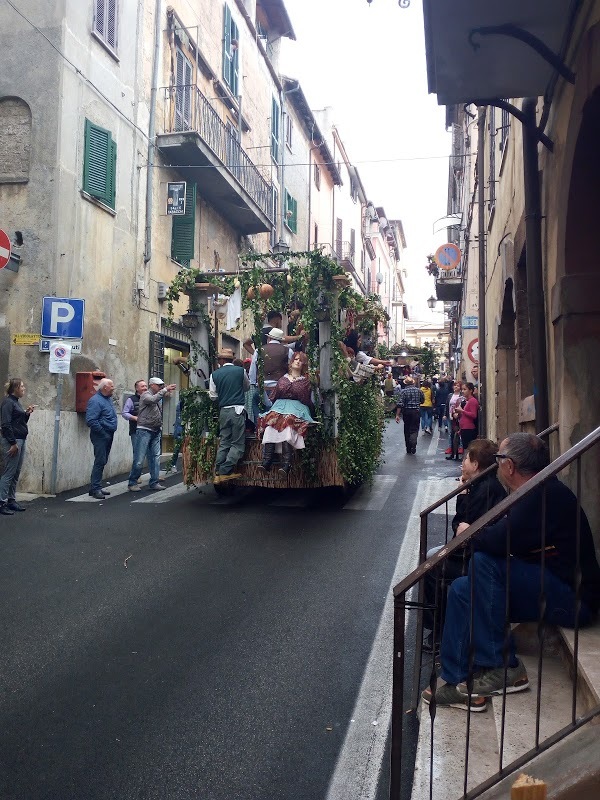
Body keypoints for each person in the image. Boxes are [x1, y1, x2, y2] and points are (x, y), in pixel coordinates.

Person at [423, 433, 600, 712]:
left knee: (483, 561)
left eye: (498, 459)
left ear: (509, 466)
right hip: (547, 586)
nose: (496, 465)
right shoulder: (533, 492)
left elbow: (494, 541)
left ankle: (503, 666)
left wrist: (469, 532)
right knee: (460, 589)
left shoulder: (542, 494)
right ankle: (455, 678)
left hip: (573, 601)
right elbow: (501, 536)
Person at [422, 439, 506, 648]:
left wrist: (461, 495)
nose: (462, 462)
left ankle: (439, 631)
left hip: (472, 556)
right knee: (432, 555)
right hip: (473, 552)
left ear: (476, 464)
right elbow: (461, 526)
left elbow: (461, 528)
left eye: (467, 458)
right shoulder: (482, 485)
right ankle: (438, 627)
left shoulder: (484, 489)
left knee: (431, 568)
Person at [257, 352, 316, 476]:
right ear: (291, 362)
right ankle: (267, 461)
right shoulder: (282, 379)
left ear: (303, 364)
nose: (298, 361)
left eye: (301, 360)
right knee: (270, 421)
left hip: (297, 407)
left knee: (288, 422)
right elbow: (274, 397)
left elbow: (307, 399)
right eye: (296, 359)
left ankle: (286, 463)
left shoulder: (305, 382)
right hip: (279, 406)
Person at [127, 377, 177, 492]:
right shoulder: (145, 395)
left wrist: (165, 391)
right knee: (139, 458)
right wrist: (164, 390)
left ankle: (154, 482)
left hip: (155, 430)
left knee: (155, 457)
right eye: (159, 385)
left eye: (161, 385)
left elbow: (158, 399)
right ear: (152, 385)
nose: (161, 387)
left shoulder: (158, 395)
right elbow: (153, 400)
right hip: (144, 430)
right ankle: (132, 482)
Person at [209, 348, 250, 483]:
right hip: (237, 410)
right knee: (238, 444)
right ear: (231, 360)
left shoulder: (214, 374)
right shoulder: (241, 371)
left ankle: (217, 472)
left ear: (221, 360)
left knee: (224, 442)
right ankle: (225, 471)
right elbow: (247, 387)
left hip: (223, 411)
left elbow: (213, 396)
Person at [0, 378, 35, 515]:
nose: (24, 389)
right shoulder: (8, 403)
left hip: (20, 439)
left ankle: (11, 500)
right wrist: (13, 443)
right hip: (13, 441)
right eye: (22, 387)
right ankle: (2, 502)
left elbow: (19, 421)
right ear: (15, 389)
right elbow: (6, 424)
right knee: (9, 472)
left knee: (15, 472)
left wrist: (26, 414)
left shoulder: (16, 403)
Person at [85, 378, 118, 500]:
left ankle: (96, 486)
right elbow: (91, 420)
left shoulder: (107, 399)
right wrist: (103, 433)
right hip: (101, 435)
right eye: (111, 386)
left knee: (102, 461)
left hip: (107, 434)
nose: (113, 388)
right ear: (105, 387)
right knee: (100, 461)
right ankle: (95, 488)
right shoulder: (95, 401)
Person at [394, 376, 424, 454]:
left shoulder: (403, 391)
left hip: (406, 412)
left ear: (406, 383)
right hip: (416, 411)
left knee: (406, 429)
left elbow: (400, 404)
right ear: (413, 383)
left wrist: (397, 415)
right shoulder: (419, 391)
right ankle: (413, 442)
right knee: (415, 428)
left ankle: (408, 447)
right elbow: (422, 400)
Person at [121, 379, 146, 455]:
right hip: (136, 431)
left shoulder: (150, 398)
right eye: (142, 386)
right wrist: (135, 418)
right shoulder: (131, 399)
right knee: (137, 454)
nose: (145, 388)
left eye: (145, 386)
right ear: (137, 388)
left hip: (149, 430)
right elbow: (124, 413)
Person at [455, 382, 479, 451]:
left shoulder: (472, 401)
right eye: (462, 389)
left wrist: (462, 411)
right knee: (465, 448)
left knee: (468, 449)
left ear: (471, 390)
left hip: (469, 429)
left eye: (465, 389)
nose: (463, 391)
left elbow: (474, 415)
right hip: (464, 428)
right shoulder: (467, 401)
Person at [445, 380, 464, 460]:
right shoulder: (450, 395)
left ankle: (460, 448)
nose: (455, 387)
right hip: (451, 416)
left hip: (459, 417)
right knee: (451, 433)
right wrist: (445, 415)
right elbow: (447, 405)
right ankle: (451, 449)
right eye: (454, 385)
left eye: (457, 386)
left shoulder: (462, 396)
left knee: (459, 433)